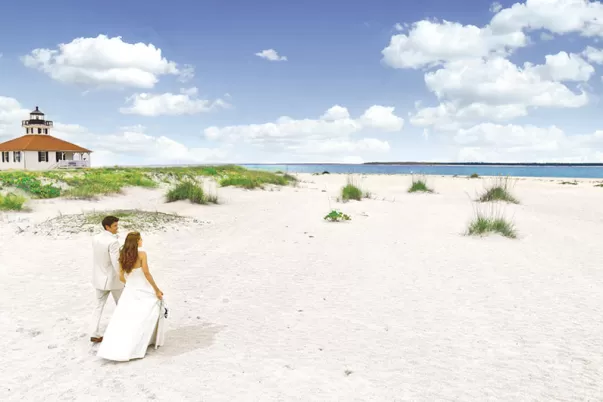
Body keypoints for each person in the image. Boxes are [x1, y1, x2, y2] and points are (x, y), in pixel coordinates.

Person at [97, 231, 166, 361]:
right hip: (142, 286)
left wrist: (129, 284)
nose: (142, 241)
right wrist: (156, 289)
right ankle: (147, 340)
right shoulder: (142, 254)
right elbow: (146, 273)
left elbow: (121, 276)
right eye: (140, 239)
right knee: (149, 310)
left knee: (126, 317)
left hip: (130, 288)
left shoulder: (122, 255)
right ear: (136, 242)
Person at [89, 215, 124, 343]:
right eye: (115, 226)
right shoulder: (113, 242)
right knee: (121, 304)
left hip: (98, 278)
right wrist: (123, 277)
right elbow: (116, 263)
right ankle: (124, 330)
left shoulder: (95, 238)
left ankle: (94, 333)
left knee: (98, 306)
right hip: (112, 280)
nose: (117, 228)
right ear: (107, 227)